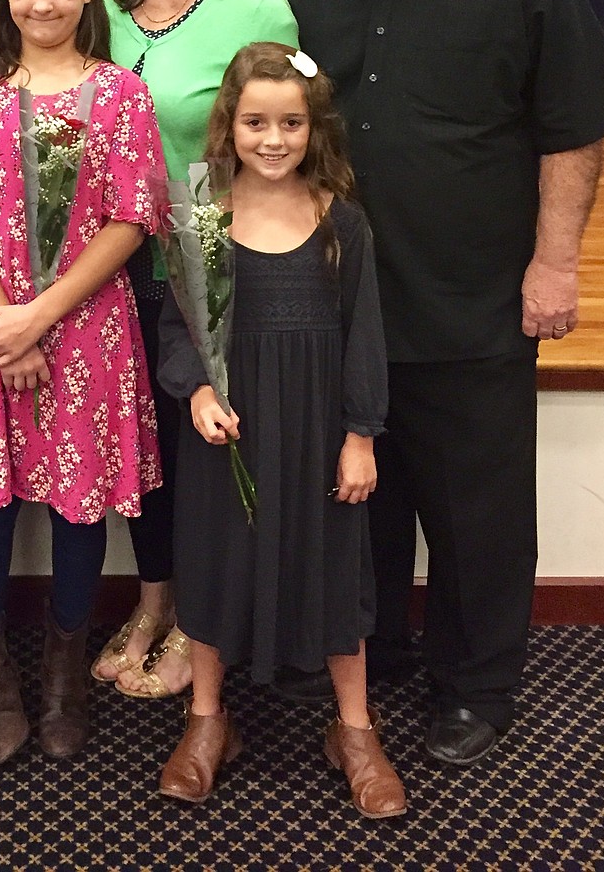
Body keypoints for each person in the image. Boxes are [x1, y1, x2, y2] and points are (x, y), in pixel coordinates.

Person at [278, 0, 604, 765]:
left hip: (476, 298)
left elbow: (575, 129)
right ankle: (379, 650)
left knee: (477, 513)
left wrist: (556, 264)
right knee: (365, 497)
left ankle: (477, 685)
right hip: (345, 306)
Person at [0, 0, 165, 764]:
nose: (42, 1)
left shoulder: (120, 91)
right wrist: (7, 322)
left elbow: (132, 217)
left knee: (78, 506)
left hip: (89, 328)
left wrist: (44, 314)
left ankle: (65, 679)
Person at [156, 44, 404, 818]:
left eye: (290, 123)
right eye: (256, 122)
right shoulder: (203, 217)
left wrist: (360, 434)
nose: (273, 139)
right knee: (216, 564)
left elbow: (364, 333)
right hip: (229, 433)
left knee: (333, 568)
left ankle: (355, 731)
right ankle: (207, 721)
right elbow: (176, 329)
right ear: (229, 126)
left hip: (317, 431)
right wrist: (195, 390)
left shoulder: (342, 222)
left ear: (312, 128)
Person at [96, 0, 299, 698]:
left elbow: (286, 135)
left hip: (212, 262)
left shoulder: (260, 8)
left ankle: (199, 619)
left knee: (198, 443)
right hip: (106, 262)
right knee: (139, 444)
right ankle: (151, 599)